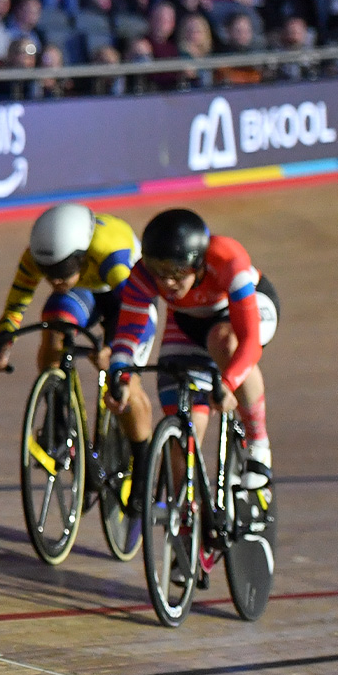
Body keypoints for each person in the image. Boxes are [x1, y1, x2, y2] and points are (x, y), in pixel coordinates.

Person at [108, 208, 277, 490]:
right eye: (159, 273)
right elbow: (128, 333)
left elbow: (248, 342)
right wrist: (120, 375)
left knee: (225, 342)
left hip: (244, 310)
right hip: (189, 322)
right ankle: (187, 521)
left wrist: (228, 382)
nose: (167, 283)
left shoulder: (228, 260)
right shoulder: (143, 274)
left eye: (176, 273)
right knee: (183, 426)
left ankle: (258, 443)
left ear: (198, 264)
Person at [0, 206, 145, 451]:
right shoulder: (35, 255)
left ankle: (142, 460)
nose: (54, 281)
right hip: (84, 289)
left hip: (126, 297)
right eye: (47, 273)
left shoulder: (112, 255)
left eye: (61, 272)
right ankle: (57, 414)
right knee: (54, 323)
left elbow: (134, 312)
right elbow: (16, 304)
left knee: (123, 379)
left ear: (82, 257)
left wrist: (116, 350)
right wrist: (5, 339)